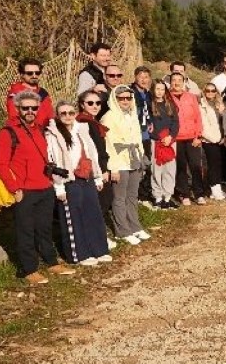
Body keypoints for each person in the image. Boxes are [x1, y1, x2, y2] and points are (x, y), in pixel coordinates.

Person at [0, 91, 74, 285]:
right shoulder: (8, 133)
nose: (30, 111)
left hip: (44, 187)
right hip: (24, 190)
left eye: (34, 108)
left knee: (44, 228)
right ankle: (29, 269)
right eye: (25, 108)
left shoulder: (39, 129)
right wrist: (15, 188)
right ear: (17, 109)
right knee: (26, 230)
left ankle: (51, 261)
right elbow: (1, 165)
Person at [46, 99, 112, 266]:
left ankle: (98, 249)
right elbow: (52, 160)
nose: (68, 116)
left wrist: (97, 175)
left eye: (71, 113)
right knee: (74, 218)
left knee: (93, 213)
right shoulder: (52, 134)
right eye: (63, 113)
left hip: (87, 176)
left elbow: (92, 152)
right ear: (58, 115)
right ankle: (79, 254)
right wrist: (58, 185)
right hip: (68, 180)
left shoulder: (81, 129)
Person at [101, 85, 149, 245]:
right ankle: (122, 230)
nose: (125, 101)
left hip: (133, 159)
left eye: (128, 98)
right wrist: (113, 167)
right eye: (122, 98)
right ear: (115, 99)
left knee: (132, 195)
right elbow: (108, 144)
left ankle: (135, 226)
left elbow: (137, 139)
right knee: (119, 198)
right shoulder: (109, 117)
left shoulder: (132, 115)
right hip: (119, 161)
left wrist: (141, 159)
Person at [75, 90, 114, 234]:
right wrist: (103, 170)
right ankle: (96, 233)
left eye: (98, 103)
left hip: (96, 167)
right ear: (82, 104)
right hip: (94, 168)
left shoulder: (91, 121)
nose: (95, 106)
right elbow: (95, 149)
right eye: (90, 103)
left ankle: (99, 232)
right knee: (101, 201)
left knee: (102, 200)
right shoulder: (85, 122)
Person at [169, 73, 207, 205]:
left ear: (184, 82)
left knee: (196, 166)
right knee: (181, 167)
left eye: (179, 80)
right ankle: (184, 194)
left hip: (192, 137)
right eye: (174, 80)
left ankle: (199, 193)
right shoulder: (167, 97)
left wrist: (199, 135)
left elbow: (198, 117)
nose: (176, 83)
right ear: (170, 82)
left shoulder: (191, 97)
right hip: (176, 138)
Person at [148, 80, 180, 209]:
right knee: (156, 170)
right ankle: (157, 196)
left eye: (162, 89)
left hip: (170, 141)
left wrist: (171, 137)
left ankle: (167, 197)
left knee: (169, 170)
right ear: (153, 90)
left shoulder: (170, 105)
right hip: (156, 141)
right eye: (157, 89)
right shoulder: (149, 105)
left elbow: (176, 123)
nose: (160, 92)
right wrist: (158, 137)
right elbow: (149, 125)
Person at [199, 82, 226, 200]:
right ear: (204, 91)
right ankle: (214, 189)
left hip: (219, 138)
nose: (210, 93)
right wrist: (212, 138)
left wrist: (225, 137)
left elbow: (224, 122)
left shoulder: (218, 104)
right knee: (212, 165)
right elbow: (203, 124)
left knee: (218, 164)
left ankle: (217, 189)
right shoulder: (201, 105)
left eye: (213, 91)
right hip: (209, 139)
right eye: (208, 91)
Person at [131, 67, 155, 207]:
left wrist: (150, 121)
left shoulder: (147, 93)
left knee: (146, 164)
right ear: (135, 77)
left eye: (146, 77)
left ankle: (144, 195)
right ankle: (138, 195)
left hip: (146, 134)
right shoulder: (131, 93)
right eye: (141, 76)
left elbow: (148, 111)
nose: (144, 79)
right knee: (137, 165)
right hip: (135, 135)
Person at [5, 59, 54, 127]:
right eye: (29, 73)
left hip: (46, 132)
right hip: (27, 132)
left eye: (37, 73)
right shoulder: (16, 93)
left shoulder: (43, 92)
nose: (34, 76)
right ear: (22, 74)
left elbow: (50, 114)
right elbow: (14, 118)